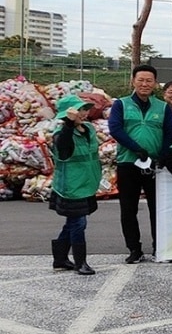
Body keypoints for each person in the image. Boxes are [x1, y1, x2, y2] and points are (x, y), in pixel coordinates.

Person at [108, 64, 170, 264]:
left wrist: (162, 155)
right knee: (128, 208)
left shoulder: (162, 106)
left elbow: (169, 133)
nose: (145, 84)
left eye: (149, 80)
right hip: (129, 163)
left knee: (157, 208)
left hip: (155, 166)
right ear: (133, 81)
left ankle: (159, 247)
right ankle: (134, 248)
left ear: (155, 84)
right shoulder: (121, 105)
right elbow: (115, 129)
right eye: (141, 80)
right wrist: (136, 149)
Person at [50, 94, 100, 275]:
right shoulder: (60, 135)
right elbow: (63, 151)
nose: (85, 113)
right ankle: (81, 262)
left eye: (86, 109)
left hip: (87, 184)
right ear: (68, 114)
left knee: (74, 222)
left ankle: (60, 258)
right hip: (70, 187)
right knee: (79, 223)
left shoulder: (89, 130)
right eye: (80, 110)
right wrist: (69, 125)